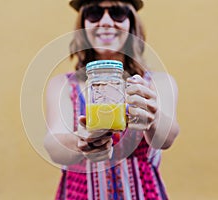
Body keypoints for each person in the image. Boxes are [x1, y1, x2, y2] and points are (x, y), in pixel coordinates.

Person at [44, 0, 180, 199]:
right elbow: (54, 145)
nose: (106, 21)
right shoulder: (63, 85)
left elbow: (167, 139)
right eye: (94, 13)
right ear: (83, 25)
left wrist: (152, 115)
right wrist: (81, 140)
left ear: (132, 23)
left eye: (117, 12)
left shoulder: (158, 82)